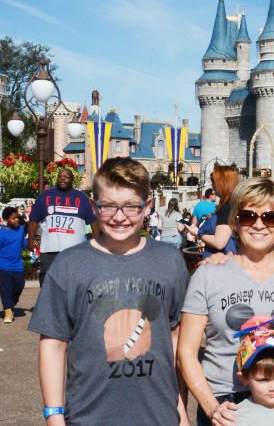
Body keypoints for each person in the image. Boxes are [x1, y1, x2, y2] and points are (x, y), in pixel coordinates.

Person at [27, 157, 190, 426]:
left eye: (130, 207)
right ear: (93, 206)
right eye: (108, 206)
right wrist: (54, 416)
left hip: (159, 415)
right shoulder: (69, 264)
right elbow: (53, 345)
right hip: (88, 416)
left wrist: (181, 409)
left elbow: (176, 340)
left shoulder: (170, 261)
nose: (119, 216)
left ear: (147, 207)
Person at [178, 177, 274, 426]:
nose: (258, 225)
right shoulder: (208, 274)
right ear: (235, 222)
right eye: (248, 216)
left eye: (269, 217)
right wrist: (211, 407)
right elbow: (186, 352)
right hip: (227, 404)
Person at [27, 168, 100, 286]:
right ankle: (47, 304)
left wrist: (97, 243)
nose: (62, 178)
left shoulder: (82, 197)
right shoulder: (45, 196)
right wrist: (30, 240)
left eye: (66, 176)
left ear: (72, 180)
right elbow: (34, 219)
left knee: (72, 285)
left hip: (74, 252)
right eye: (60, 176)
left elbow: (93, 221)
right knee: (47, 285)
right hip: (50, 251)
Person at [198, 165, 240, 257]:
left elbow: (219, 242)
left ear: (222, 183)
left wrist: (198, 233)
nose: (210, 183)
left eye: (213, 181)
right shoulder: (236, 204)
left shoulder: (227, 208)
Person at [0, 206, 27, 323]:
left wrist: (30, 243)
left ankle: (11, 303)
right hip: (3, 267)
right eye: (13, 218)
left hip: (18, 266)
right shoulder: (1, 233)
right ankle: (8, 312)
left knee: (19, 286)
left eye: (17, 218)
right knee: (6, 289)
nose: (17, 220)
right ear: (6, 220)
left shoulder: (21, 229)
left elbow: (22, 242)